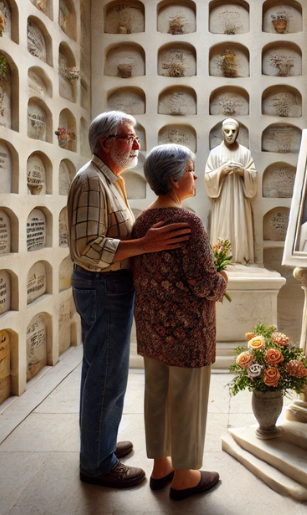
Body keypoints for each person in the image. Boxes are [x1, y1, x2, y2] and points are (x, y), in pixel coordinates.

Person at [68, 112, 191, 489]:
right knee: (106, 375)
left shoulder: (107, 179)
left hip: (108, 287)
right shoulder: (91, 181)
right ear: (106, 142)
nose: (137, 144)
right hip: (103, 286)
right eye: (129, 137)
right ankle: (98, 464)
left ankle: (98, 445)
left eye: (135, 137)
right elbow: (86, 248)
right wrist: (145, 244)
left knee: (102, 371)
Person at [131, 144, 227, 501]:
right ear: (174, 179)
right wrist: (223, 279)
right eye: (190, 170)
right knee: (186, 399)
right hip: (188, 331)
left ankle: (161, 466)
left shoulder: (142, 221)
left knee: (156, 394)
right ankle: (186, 476)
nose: (196, 176)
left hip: (153, 328)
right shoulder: (188, 221)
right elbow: (205, 283)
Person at [204, 118, 257, 265]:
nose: (230, 134)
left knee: (240, 227)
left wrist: (242, 172)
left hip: (240, 198)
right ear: (222, 132)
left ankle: (241, 258)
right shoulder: (215, 153)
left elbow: (253, 175)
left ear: (237, 132)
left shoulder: (245, 153)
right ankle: (221, 260)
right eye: (227, 131)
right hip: (223, 200)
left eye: (233, 131)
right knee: (223, 227)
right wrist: (221, 171)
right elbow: (208, 177)